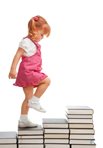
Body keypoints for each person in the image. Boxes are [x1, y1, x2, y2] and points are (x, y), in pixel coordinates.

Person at [8, 15, 51, 128]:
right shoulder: (26, 42)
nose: (42, 37)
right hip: (28, 73)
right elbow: (17, 55)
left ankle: (23, 120)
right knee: (46, 81)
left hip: (28, 73)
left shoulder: (33, 43)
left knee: (28, 98)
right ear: (35, 30)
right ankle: (35, 101)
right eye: (41, 34)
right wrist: (13, 69)